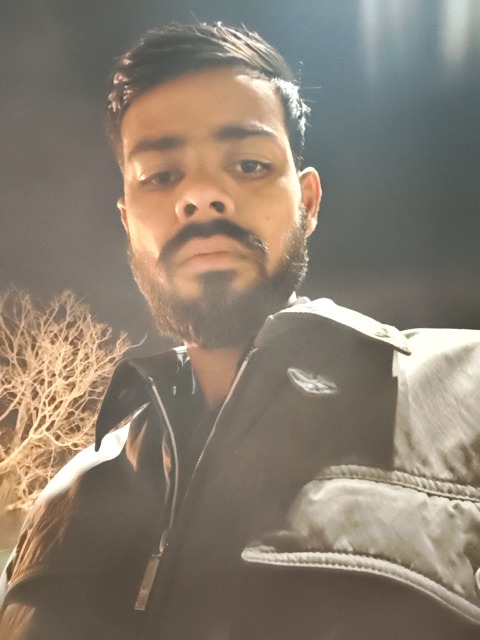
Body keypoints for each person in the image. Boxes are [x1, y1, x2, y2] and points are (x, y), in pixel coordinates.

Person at [1, 22, 480, 640]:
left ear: (308, 202)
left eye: (250, 164)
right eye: (160, 176)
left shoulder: (467, 396)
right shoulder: (60, 504)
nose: (202, 195)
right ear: (127, 222)